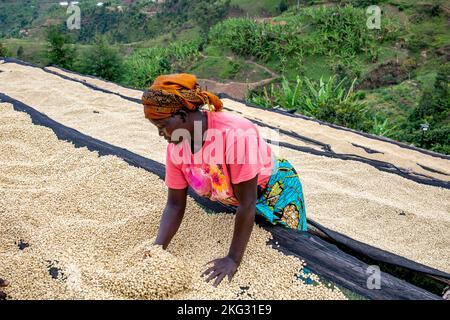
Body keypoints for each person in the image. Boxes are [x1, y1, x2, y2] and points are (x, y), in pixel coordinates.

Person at [142, 73, 307, 287]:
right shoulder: (176, 149)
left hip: (275, 192)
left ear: (182, 116)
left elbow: (247, 202)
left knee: (296, 248)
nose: (160, 134)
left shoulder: (236, 135)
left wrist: (232, 259)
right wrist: (158, 248)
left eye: (161, 126)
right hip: (235, 200)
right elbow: (174, 204)